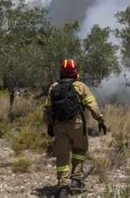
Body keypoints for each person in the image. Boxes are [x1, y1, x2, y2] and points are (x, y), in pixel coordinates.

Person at [43, 59, 107, 196]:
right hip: (77, 124)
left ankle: (63, 185)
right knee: (79, 149)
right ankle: (76, 180)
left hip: (59, 126)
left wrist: (49, 125)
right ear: (75, 72)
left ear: (61, 71)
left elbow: (47, 108)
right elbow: (92, 105)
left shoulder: (53, 87)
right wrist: (100, 120)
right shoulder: (80, 86)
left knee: (62, 155)